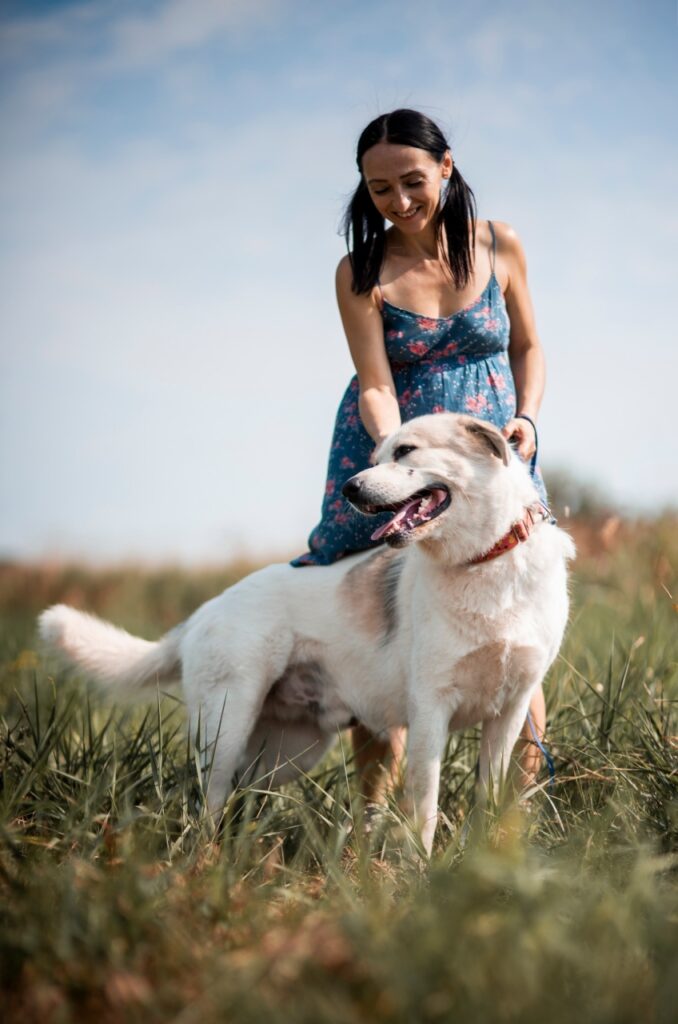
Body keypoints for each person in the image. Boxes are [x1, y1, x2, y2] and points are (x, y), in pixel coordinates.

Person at [292, 108, 549, 801]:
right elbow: (375, 380)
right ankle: (379, 815)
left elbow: (526, 344)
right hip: (391, 444)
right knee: (374, 615)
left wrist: (525, 415)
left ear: (446, 165)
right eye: (379, 190)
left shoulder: (501, 245)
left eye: (412, 180)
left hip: (490, 453)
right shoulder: (362, 270)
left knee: (518, 609)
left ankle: (514, 814)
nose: (399, 202)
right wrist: (393, 461)